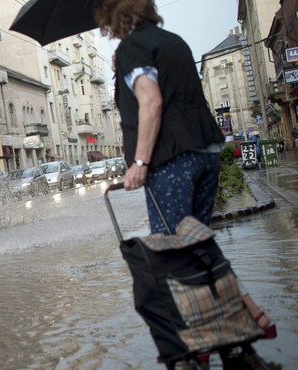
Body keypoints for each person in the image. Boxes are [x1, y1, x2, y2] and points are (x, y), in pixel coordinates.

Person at [93, 0, 276, 339]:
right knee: (197, 242)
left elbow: (152, 103)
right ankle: (237, 318)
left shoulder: (134, 47)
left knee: (173, 250)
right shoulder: (173, 40)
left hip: (171, 158)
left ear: (113, 15)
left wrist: (140, 163)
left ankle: (211, 330)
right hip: (205, 150)